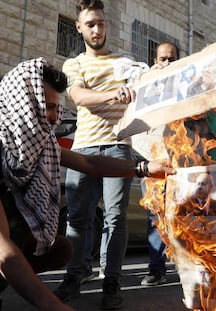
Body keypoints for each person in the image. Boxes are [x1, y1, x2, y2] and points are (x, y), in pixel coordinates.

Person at [0, 58, 175, 311]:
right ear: (20, 105)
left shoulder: (41, 146)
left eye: (55, 108)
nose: (52, 117)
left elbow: (88, 163)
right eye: (45, 107)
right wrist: (53, 305)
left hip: (6, 248)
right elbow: (3, 250)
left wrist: (144, 168)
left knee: (60, 249)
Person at [54, 0, 145, 309]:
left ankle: (112, 282)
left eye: (101, 23)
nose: (96, 29)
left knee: (116, 218)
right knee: (78, 219)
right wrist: (112, 93)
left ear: (107, 25)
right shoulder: (74, 64)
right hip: (83, 148)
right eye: (90, 24)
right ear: (79, 27)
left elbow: (146, 89)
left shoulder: (126, 62)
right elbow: (78, 96)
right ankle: (73, 277)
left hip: (119, 146)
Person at [140, 42, 179, 287]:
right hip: (153, 163)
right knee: (155, 219)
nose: (166, 64)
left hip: (181, 163)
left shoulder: (188, 86)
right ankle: (157, 269)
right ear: (156, 61)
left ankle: (192, 269)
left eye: (172, 59)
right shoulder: (147, 85)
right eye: (162, 59)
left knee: (186, 217)